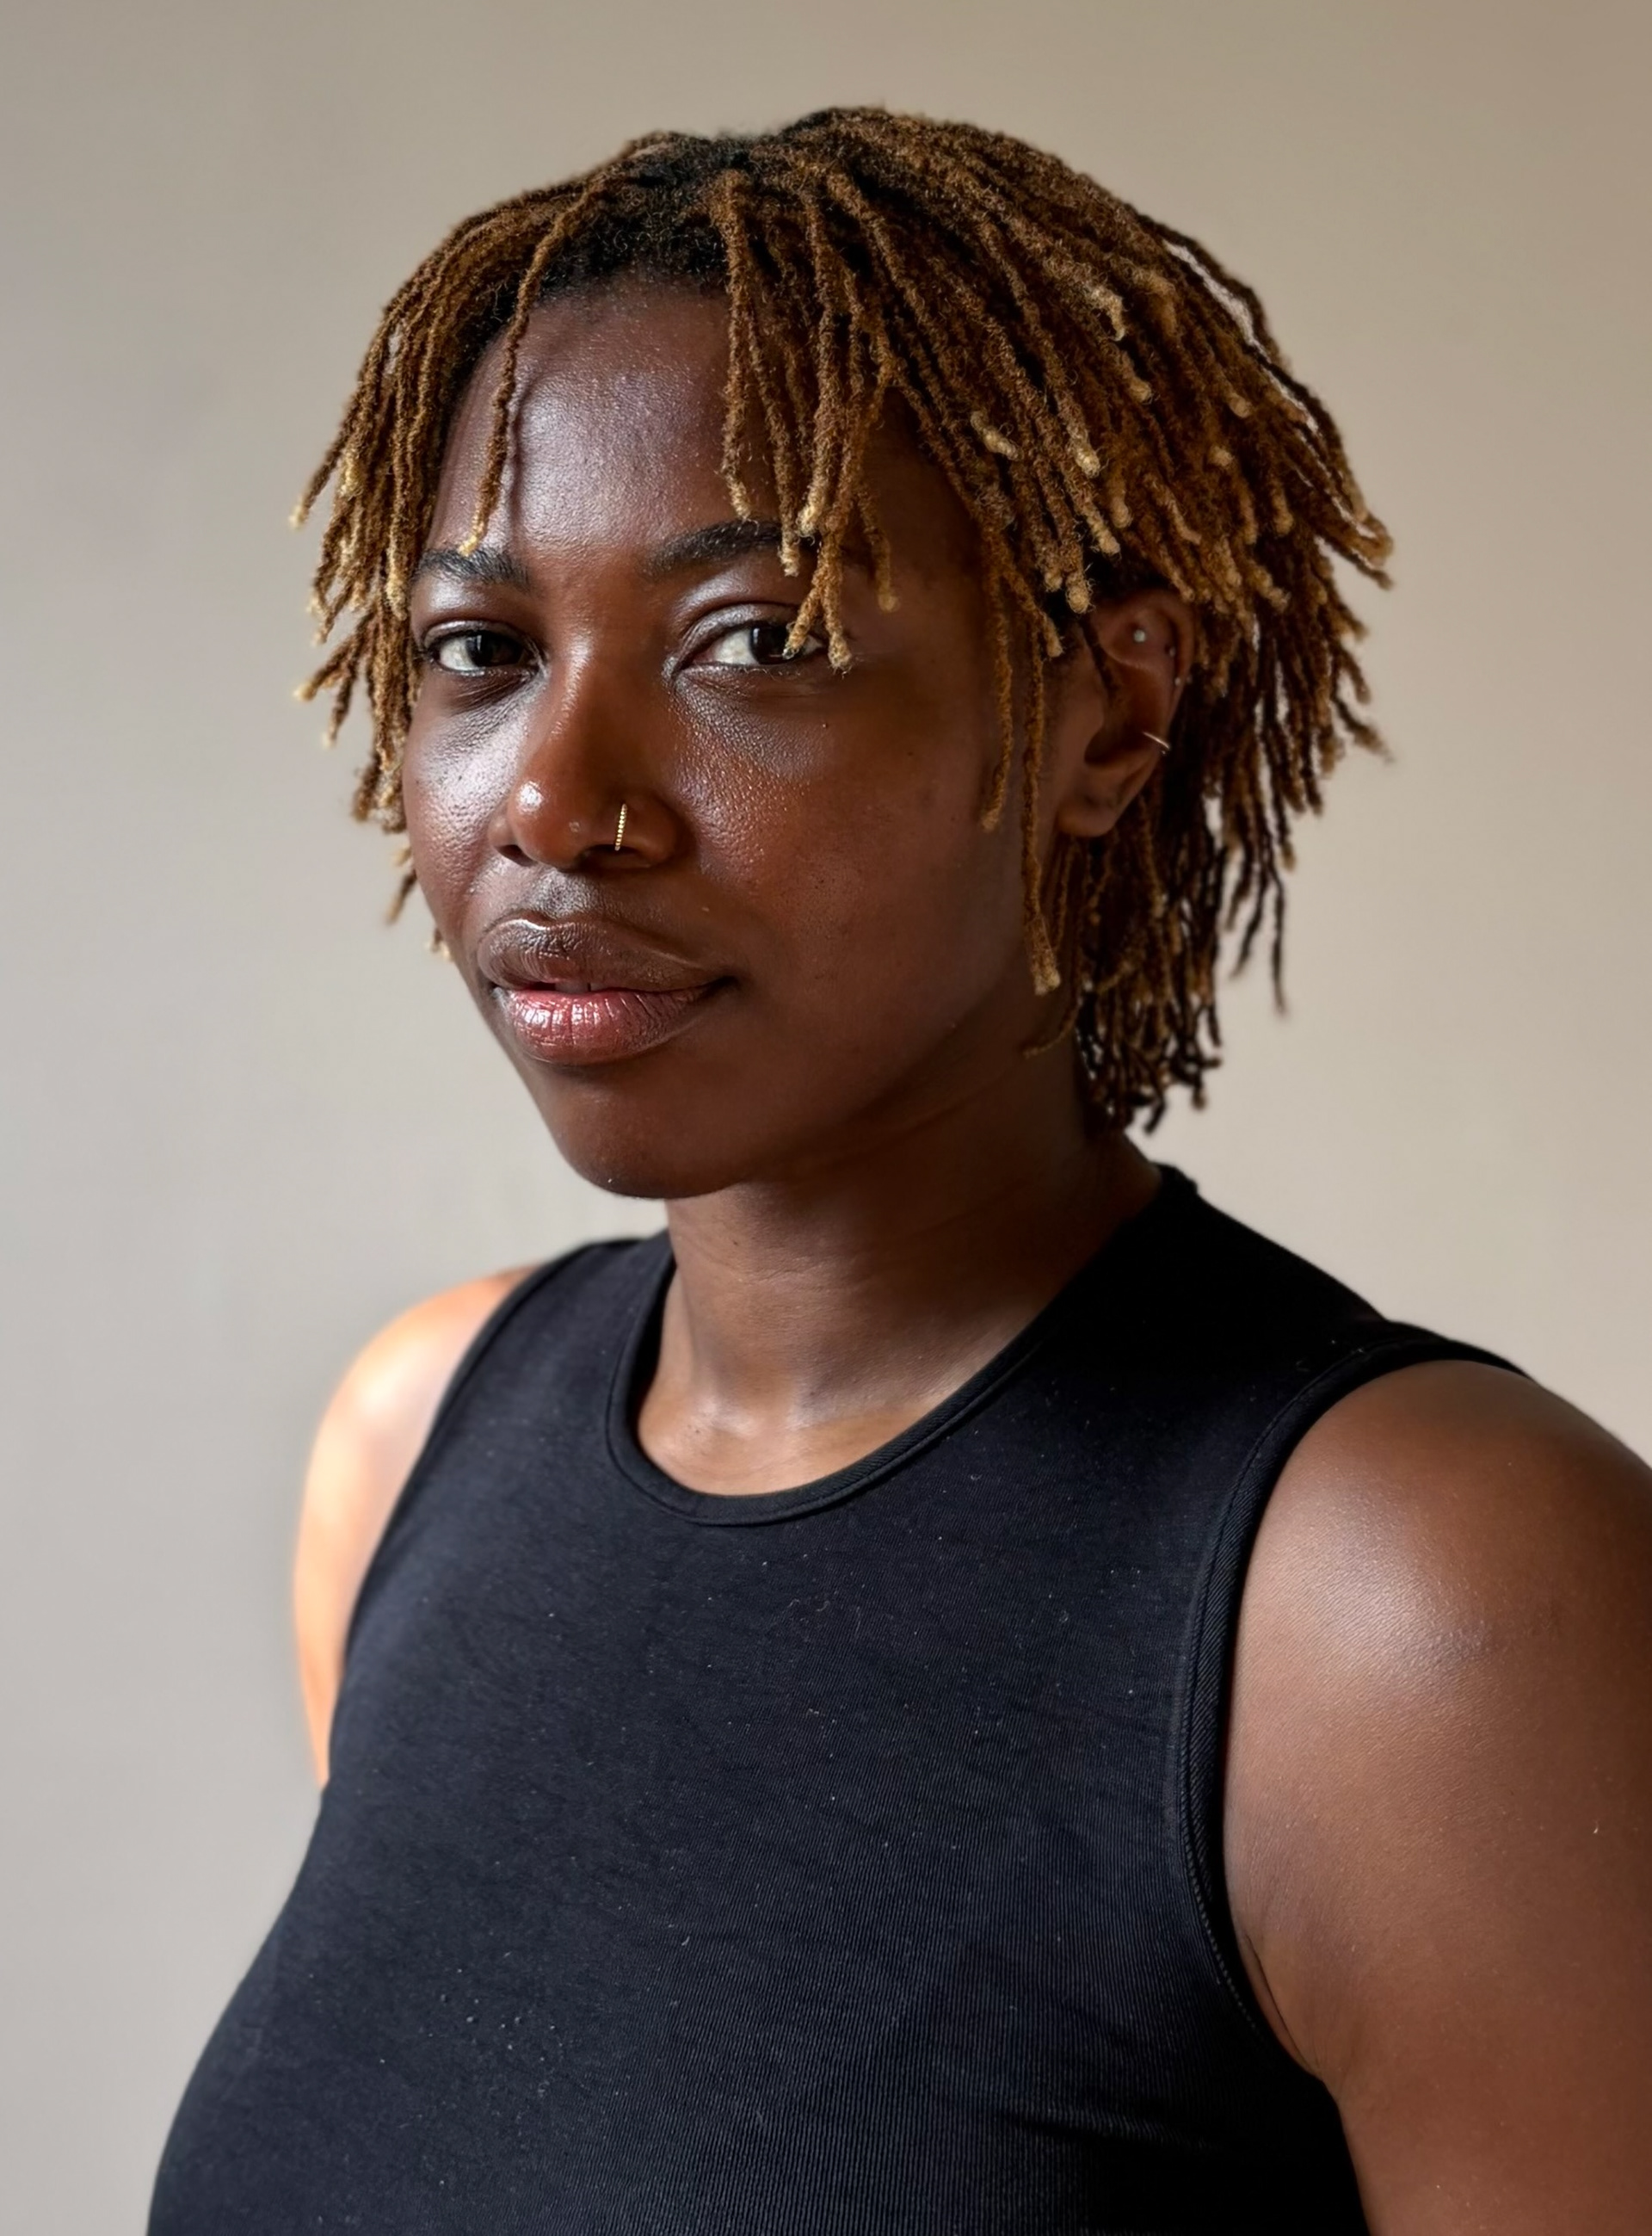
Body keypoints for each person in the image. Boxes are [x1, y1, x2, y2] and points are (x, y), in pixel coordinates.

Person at [150, 112, 1652, 2233]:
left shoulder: (1416, 1607)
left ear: (1106, 717)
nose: (557, 803)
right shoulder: (416, 1441)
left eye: (752, 640)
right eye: (482, 652)